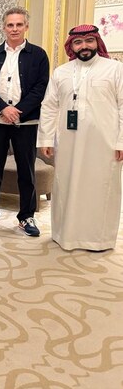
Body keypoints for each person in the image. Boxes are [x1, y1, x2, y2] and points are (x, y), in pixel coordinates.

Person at [38, 24, 123, 251]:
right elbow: (49, 106)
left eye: (89, 41)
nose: (84, 46)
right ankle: (65, 234)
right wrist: (46, 139)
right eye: (78, 42)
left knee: (100, 187)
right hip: (68, 142)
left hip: (104, 143)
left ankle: (99, 239)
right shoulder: (61, 72)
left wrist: (121, 141)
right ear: (72, 46)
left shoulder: (115, 69)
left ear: (97, 42)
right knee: (67, 185)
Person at [0, 7, 49, 237]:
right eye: (10, 25)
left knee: (26, 171)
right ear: (3, 27)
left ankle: (26, 217)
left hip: (25, 123)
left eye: (19, 24)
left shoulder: (38, 55)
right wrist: (3, 109)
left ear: (26, 26)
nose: (14, 29)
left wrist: (18, 111)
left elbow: (40, 88)